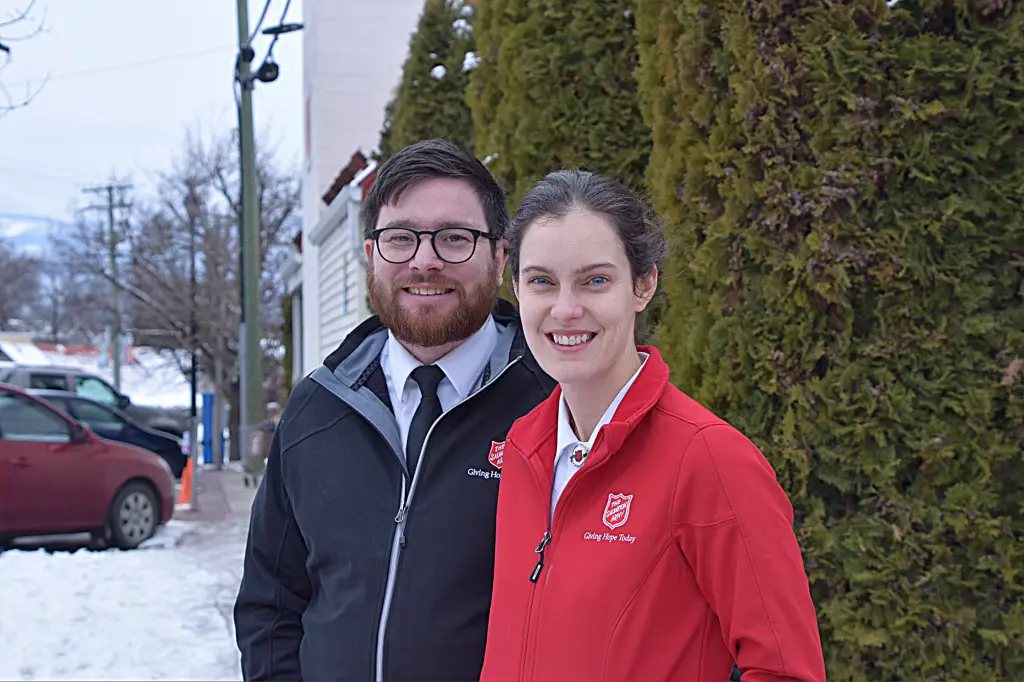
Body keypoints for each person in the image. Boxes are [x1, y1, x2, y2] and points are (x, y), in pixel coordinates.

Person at [479, 170, 826, 682]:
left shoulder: (709, 459)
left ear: (643, 285)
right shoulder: (522, 448)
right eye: (541, 282)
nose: (566, 309)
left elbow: (785, 670)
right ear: (516, 289)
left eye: (596, 280)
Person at [233, 139, 555, 681]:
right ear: (371, 255)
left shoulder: (555, 407)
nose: (425, 260)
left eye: (455, 238)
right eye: (401, 238)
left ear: (501, 258)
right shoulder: (317, 409)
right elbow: (272, 601)